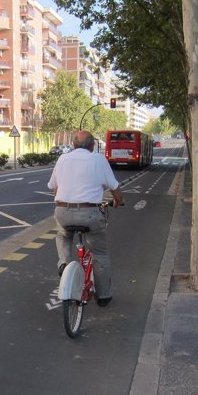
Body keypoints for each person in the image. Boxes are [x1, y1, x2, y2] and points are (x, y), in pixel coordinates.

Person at [47, 130, 124, 307]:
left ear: (73, 145)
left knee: (63, 235)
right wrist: (119, 200)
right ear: (92, 146)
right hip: (90, 214)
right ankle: (103, 295)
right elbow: (114, 187)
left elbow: (54, 188)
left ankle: (64, 263)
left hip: (62, 211)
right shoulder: (98, 159)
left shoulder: (62, 159)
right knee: (100, 253)